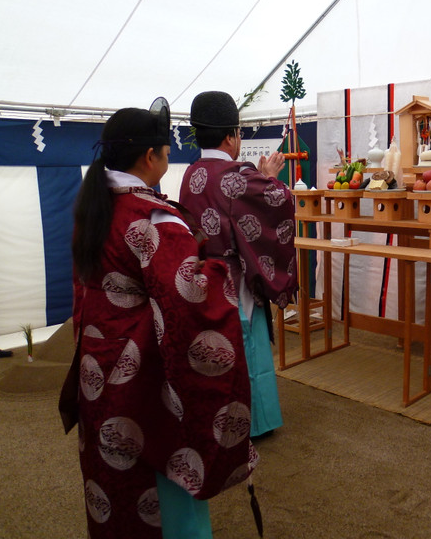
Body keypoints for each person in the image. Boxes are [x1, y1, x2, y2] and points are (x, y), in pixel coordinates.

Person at [68, 99, 257, 539]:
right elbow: (192, 299)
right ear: (149, 156)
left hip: (98, 362)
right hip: (140, 373)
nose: (170, 159)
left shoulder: (93, 209)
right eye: (166, 152)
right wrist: (213, 264)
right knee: (153, 474)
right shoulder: (151, 217)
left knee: (111, 474)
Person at [180, 91, 297, 438]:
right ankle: (254, 422)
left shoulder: (191, 173)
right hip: (234, 277)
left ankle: (215, 417)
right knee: (248, 346)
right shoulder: (236, 175)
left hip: (202, 274)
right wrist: (271, 177)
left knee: (213, 347)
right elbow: (279, 203)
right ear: (231, 136)